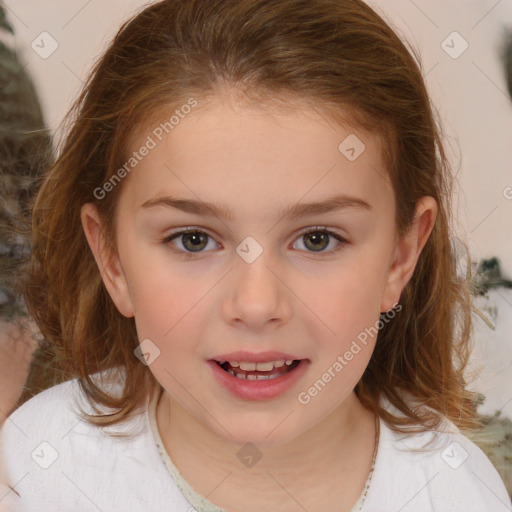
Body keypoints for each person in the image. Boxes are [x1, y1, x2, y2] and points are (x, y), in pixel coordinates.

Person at [1, 0, 510, 510]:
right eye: (193, 240)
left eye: (317, 239)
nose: (257, 304)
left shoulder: (456, 494)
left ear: (401, 257)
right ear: (112, 259)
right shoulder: (39, 470)